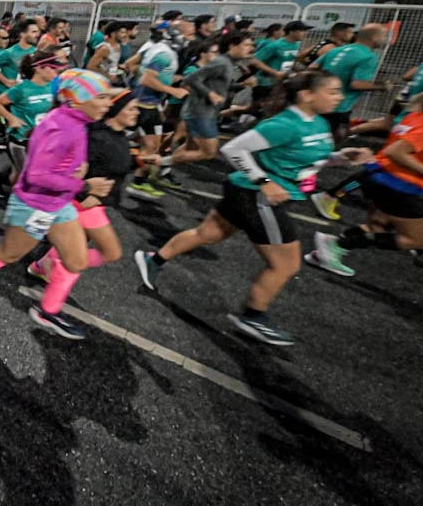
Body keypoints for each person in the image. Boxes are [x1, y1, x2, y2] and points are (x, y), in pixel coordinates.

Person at [135, 70, 372, 346]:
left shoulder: (318, 123)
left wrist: (340, 158)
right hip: (255, 195)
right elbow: (234, 149)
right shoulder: (284, 124)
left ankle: (153, 260)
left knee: (208, 234)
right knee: (286, 264)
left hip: (250, 192)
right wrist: (265, 181)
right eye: (332, 91)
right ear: (306, 95)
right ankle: (253, 316)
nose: (339, 97)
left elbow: (306, 161)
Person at [0, 69, 116, 317]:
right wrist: (83, 186)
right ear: (78, 98)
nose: (108, 103)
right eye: (101, 96)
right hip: (32, 204)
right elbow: (36, 176)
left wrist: (77, 170)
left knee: (76, 261)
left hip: (59, 203)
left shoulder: (76, 121)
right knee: (9, 254)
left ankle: (48, 308)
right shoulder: (62, 126)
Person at [26, 92, 139, 339]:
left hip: (95, 204)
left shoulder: (119, 136)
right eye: (131, 108)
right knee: (94, 255)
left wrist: (140, 160)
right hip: (84, 204)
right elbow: (70, 166)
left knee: (94, 253)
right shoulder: (95, 137)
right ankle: (48, 309)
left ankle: (43, 265)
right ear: (117, 109)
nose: (136, 112)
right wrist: (83, 192)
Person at [309, 92, 423, 277]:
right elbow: (396, 152)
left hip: (379, 177)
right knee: (416, 240)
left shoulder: (415, 115)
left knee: (379, 226)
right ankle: (336, 243)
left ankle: (329, 248)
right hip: (397, 186)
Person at [141, 31, 254, 194]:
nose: (249, 49)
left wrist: (241, 85)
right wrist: (210, 94)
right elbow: (191, 79)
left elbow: (220, 87)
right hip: (200, 112)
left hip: (206, 112)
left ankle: (159, 170)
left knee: (189, 147)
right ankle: (158, 163)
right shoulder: (221, 62)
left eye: (251, 45)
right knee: (209, 152)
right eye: (246, 45)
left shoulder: (229, 64)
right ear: (232, 45)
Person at [310, 24, 392, 220]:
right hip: (337, 108)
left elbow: (312, 68)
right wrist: (382, 86)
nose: (386, 40)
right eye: (384, 36)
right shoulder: (368, 56)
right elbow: (357, 83)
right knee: (329, 144)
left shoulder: (338, 49)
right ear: (375, 37)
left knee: (318, 140)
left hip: (320, 103)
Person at [0, 50, 64, 198]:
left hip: (39, 139)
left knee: (19, 174)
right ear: (39, 68)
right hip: (20, 140)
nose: (56, 72)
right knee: (28, 175)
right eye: (53, 68)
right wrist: (11, 119)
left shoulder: (52, 87)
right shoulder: (21, 89)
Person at [128, 24, 189, 198]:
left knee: (152, 147)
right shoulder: (164, 55)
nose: (189, 40)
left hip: (150, 105)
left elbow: (136, 68)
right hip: (143, 106)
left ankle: (138, 183)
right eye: (187, 35)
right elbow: (148, 79)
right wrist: (173, 91)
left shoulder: (160, 50)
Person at [250, 20, 312, 114]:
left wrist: (301, 71)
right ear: (291, 32)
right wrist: (274, 73)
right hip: (266, 83)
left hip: (280, 83)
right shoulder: (275, 45)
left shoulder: (296, 45)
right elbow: (255, 60)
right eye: (302, 31)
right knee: (258, 109)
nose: (304, 34)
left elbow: (290, 61)